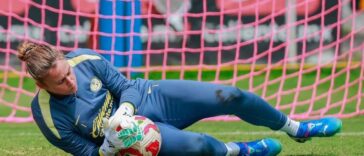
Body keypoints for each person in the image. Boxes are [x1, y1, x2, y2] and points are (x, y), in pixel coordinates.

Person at [17, 41, 342, 156]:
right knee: (200, 146)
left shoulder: (83, 59)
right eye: (60, 82)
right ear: (42, 85)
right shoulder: (46, 116)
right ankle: (240, 151)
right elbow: (85, 153)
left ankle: (297, 128)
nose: (70, 81)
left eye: (68, 73)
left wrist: (127, 108)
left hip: (147, 99)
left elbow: (125, 86)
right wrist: (110, 145)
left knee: (229, 94)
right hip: (134, 141)